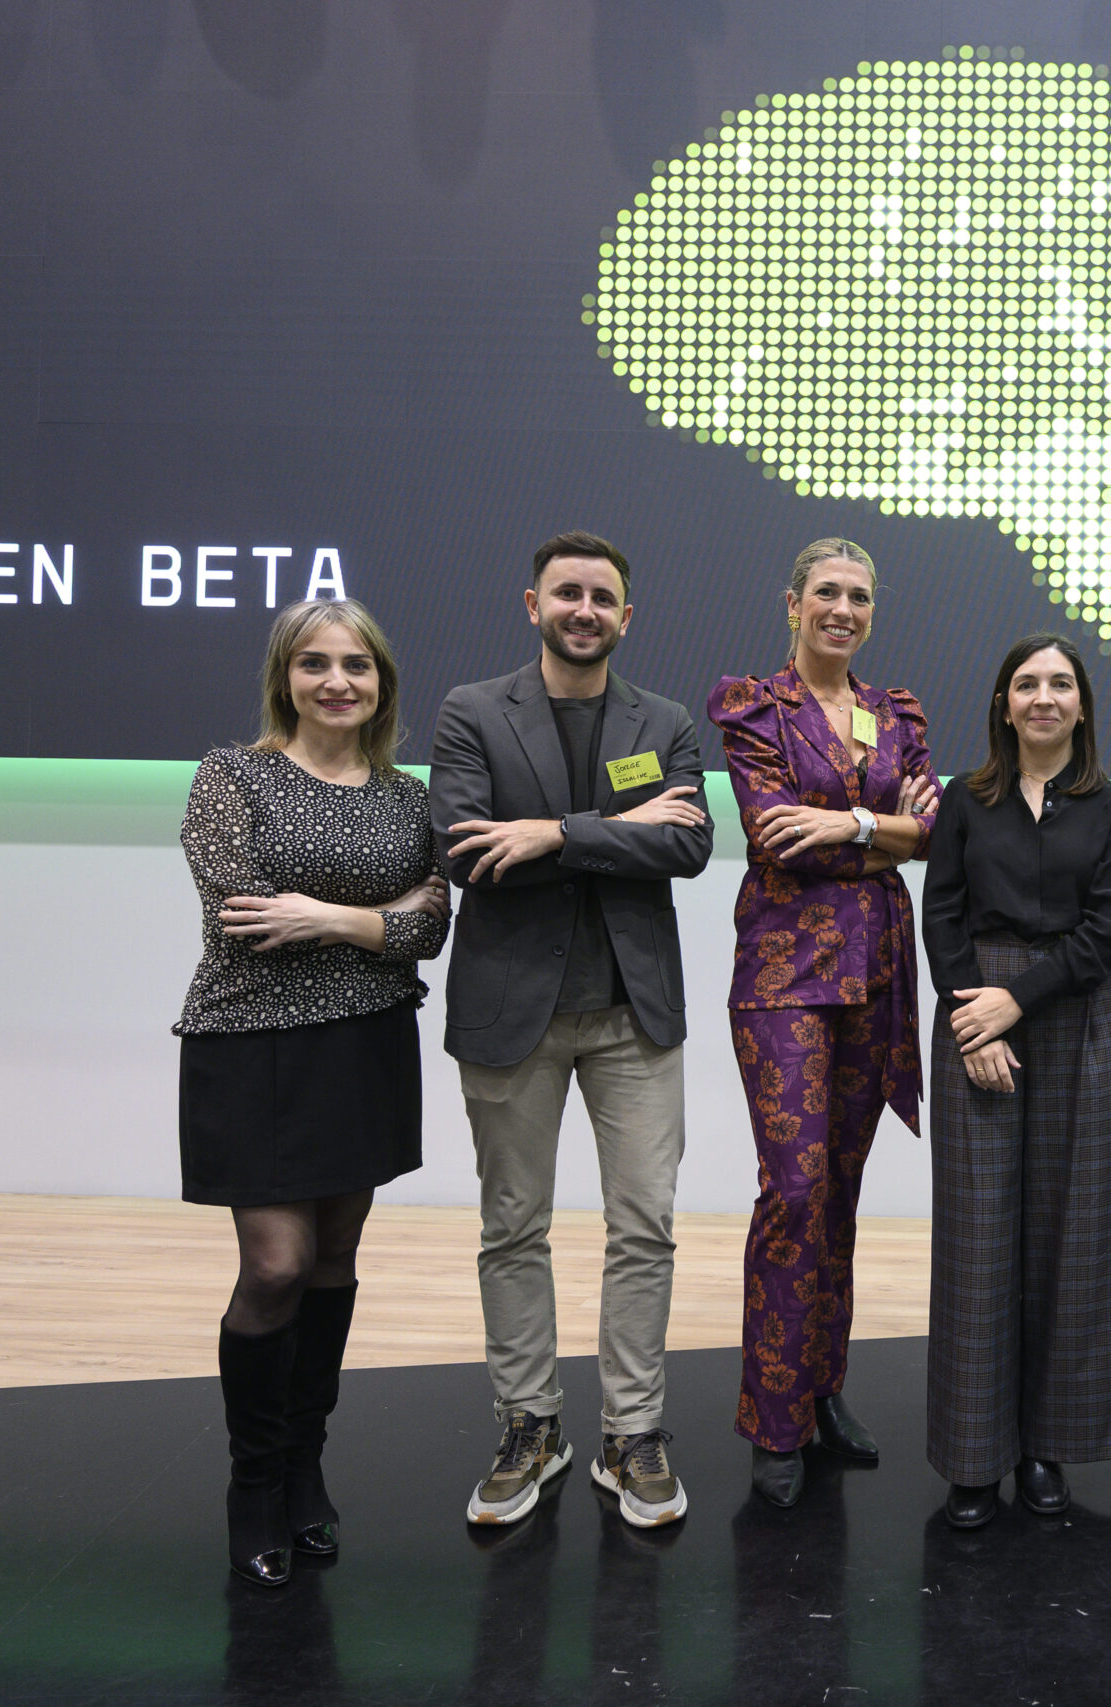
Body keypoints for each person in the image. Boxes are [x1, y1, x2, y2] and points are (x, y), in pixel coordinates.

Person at [429, 531, 714, 1531]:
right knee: (513, 1227)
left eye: (602, 597)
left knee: (644, 1228)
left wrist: (552, 832)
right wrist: (620, 832)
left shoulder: (664, 721)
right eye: (567, 593)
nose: (584, 609)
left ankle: (631, 1433)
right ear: (533, 604)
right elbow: (466, 852)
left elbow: (688, 845)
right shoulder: (473, 712)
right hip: (514, 1013)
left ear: (625, 616)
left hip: (636, 1015)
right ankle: (530, 1424)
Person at [175, 597, 449, 1588]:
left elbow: (432, 926)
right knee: (278, 1265)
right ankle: (254, 1480)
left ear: (381, 683)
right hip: (250, 1042)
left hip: (364, 1045)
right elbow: (247, 916)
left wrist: (325, 916)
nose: (337, 681)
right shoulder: (231, 775)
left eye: (356, 665)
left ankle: (304, 1465)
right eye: (315, 663)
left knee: (333, 1257)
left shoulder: (409, 798)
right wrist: (377, 916)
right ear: (284, 678)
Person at [707, 538, 938, 1507]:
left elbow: (933, 829)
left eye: (859, 596)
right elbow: (776, 837)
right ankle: (774, 1416)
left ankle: (821, 1388)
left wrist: (847, 825)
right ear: (793, 602)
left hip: (875, 972)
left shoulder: (897, 712)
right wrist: (883, 833)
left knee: (839, 1192)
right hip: (784, 977)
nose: (843, 609)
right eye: (827, 593)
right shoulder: (754, 706)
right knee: (794, 1191)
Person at [922, 634, 1111, 1529]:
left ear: (1082, 704)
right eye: (1026, 684)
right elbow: (941, 915)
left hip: (1079, 1016)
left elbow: (1110, 932)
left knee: (1075, 1235)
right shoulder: (964, 799)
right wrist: (971, 1014)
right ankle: (975, 1454)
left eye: (1060, 683)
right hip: (975, 1012)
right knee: (977, 1240)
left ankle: (1049, 1443)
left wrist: (1017, 1000)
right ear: (1003, 705)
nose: (1043, 697)